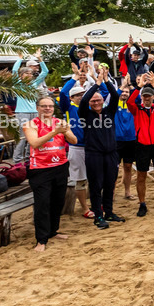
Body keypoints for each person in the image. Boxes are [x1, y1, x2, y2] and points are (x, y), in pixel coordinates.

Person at [24, 96, 77, 251]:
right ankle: (41, 239)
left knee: (58, 201)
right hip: (40, 169)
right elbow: (35, 143)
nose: (47, 109)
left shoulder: (61, 123)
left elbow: (74, 140)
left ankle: (53, 231)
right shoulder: (30, 124)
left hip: (60, 166)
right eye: (44, 106)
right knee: (42, 204)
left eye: (50, 106)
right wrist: (55, 132)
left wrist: (66, 132)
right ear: (37, 108)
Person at [79, 67, 123, 229]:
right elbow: (84, 101)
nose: (96, 103)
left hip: (111, 153)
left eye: (98, 100)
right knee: (96, 186)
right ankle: (98, 216)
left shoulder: (109, 112)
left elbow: (116, 95)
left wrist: (106, 80)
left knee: (110, 184)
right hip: (94, 155)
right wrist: (96, 84)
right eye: (93, 101)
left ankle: (109, 212)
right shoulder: (85, 113)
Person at [127, 73, 154, 217]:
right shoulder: (137, 109)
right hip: (142, 145)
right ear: (141, 97)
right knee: (141, 176)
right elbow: (129, 102)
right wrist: (139, 86)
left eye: (149, 96)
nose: (146, 98)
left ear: (153, 97)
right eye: (144, 96)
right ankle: (142, 204)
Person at [59, 75, 91, 219]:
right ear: (72, 98)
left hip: (91, 147)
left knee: (94, 178)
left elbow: (103, 93)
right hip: (76, 147)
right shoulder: (68, 107)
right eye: (77, 95)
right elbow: (62, 93)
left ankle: (95, 204)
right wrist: (74, 78)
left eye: (83, 94)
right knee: (80, 180)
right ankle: (85, 208)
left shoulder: (90, 107)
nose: (81, 97)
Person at [11, 51, 49, 164]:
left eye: (31, 74)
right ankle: (17, 162)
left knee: (33, 137)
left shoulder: (34, 83)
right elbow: (14, 71)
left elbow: (45, 72)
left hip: (34, 112)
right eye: (27, 73)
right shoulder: (18, 83)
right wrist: (20, 59)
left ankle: (29, 160)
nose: (30, 75)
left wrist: (39, 59)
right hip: (22, 113)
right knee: (22, 138)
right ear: (21, 75)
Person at [114, 77, 138, 201]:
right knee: (114, 168)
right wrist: (122, 86)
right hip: (117, 141)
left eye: (126, 92)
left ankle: (127, 192)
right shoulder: (114, 104)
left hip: (130, 140)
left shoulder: (132, 105)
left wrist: (132, 86)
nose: (124, 94)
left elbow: (138, 97)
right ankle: (111, 192)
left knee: (128, 167)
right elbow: (114, 96)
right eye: (122, 92)